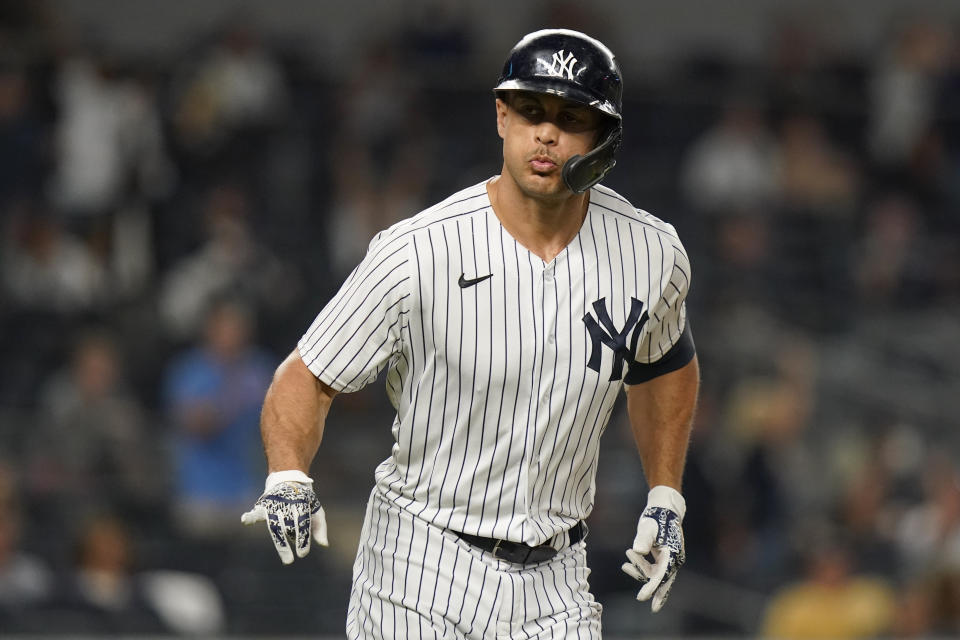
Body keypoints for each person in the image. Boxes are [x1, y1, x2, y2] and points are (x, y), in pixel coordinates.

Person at [242, 29, 699, 639]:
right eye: (532, 111)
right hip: (420, 564)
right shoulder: (419, 251)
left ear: (603, 138)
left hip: (557, 576)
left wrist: (665, 493)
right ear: (501, 117)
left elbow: (665, 363)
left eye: (571, 118)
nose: (547, 133)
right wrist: (288, 475)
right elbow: (306, 376)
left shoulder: (651, 252)